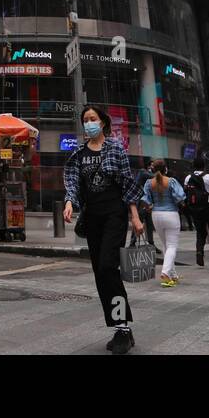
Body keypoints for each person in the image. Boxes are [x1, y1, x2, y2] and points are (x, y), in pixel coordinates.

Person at [62, 105, 142, 355]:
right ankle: (120, 327)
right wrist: (68, 202)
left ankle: (123, 329)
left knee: (108, 267)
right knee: (101, 273)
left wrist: (135, 217)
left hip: (114, 215)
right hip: (93, 218)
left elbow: (127, 183)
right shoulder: (78, 153)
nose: (89, 123)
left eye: (93, 118)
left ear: (103, 122)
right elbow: (73, 182)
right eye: (85, 120)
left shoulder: (116, 148)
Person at [141, 159, 184, 286]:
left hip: (156, 215)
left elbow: (145, 199)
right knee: (171, 246)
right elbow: (180, 197)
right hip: (171, 214)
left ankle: (172, 275)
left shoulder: (149, 183)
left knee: (166, 245)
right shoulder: (171, 181)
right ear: (166, 169)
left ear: (153, 170)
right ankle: (165, 272)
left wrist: (150, 206)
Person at [186, 155, 209, 269]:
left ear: (193, 165)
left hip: (195, 208)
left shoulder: (188, 178)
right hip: (208, 206)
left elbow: (186, 192)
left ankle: (199, 252)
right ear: (204, 165)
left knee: (200, 232)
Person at [129, 162, 156, 250]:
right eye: (152, 165)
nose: (153, 167)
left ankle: (151, 243)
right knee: (139, 221)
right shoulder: (143, 172)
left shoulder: (145, 174)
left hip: (146, 202)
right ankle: (132, 243)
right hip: (141, 202)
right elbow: (154, 176)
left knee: (149, 223)